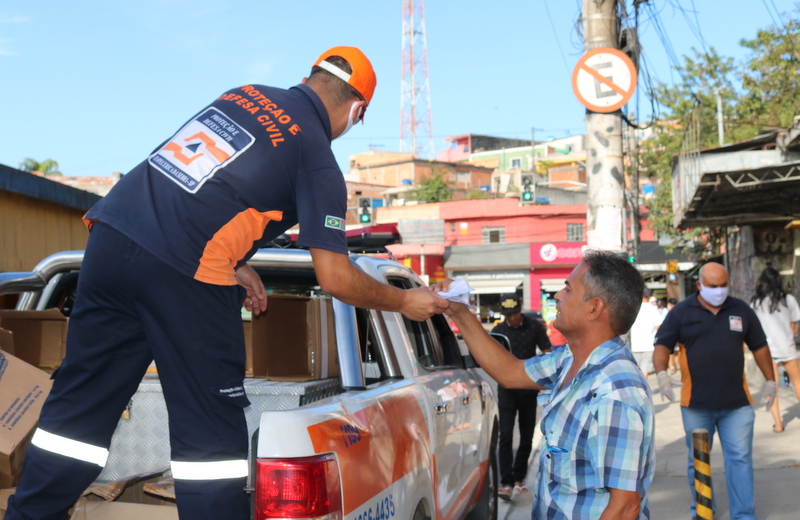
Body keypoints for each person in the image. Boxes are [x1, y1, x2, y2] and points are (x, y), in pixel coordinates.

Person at [6, 47, 449, 520]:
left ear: (309, 77)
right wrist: (404, 301)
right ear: (358, 109)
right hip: (185, 277)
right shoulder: (317, 159)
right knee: (209, 448)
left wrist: (234, 259)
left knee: (76, 415)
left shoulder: (244, 95)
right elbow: (335, 277)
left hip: (111, 239)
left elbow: (194, 181)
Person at [436, 250, 655, 519]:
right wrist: (458, 310)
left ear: (594, 308)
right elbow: (510, 371)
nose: (557, 296)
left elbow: (624, 507)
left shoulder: (615, 390)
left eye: (568, 289)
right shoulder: (569, 361)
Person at [653, 262, 777, 520]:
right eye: (713, 286)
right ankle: (703, 511)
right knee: (698, 461)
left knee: (740, 460)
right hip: (696, 404)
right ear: (699, 285)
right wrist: (662, 374)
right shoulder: (683, 312)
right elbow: (663, 345)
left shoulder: (740, 309)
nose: (719, 291)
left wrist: (771, 380)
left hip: (737, 405)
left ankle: (744, 515)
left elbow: (760, 346)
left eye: (723, 285)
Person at [491, 294, 551, 500]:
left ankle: (519, 479)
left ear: (520, 309)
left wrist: (544, 374)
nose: (511, 319)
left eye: (514, 315)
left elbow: (547, 351)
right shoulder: (498, 331)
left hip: (528, 389)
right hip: (506, 390)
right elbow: (490, 359)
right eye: (507, 316)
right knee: (505, 436)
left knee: (526, 436)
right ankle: (505, 482)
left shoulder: (534, 327)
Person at [750, 266, 800, 433]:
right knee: (798, 383)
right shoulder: (789, 300)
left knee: (772, 386)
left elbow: (753, 329)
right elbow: (794, 327)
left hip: (766, 350)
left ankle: (778, 424)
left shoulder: (756, 303)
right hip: (787, 347)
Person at [629, 288, 663, 379]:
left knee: (636, 371)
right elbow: (659, 326)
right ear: (649, 297)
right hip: (649, 345)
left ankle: (638, 389)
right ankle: (642, 390)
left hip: (635, 345)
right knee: (644, 371)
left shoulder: (633, 308)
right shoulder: (652, 308)